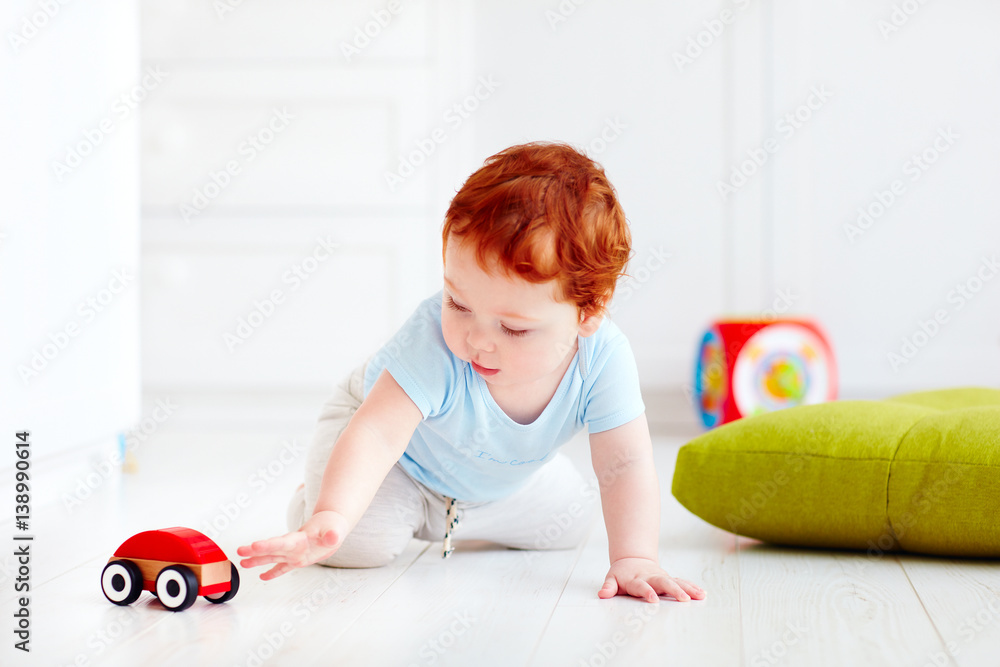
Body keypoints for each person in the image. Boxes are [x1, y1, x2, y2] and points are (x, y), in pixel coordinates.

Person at [237, 142, 706, 604]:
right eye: (457, 303)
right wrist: (332, 513)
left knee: (568, 522)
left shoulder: (602, 360)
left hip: (488, 483)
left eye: (514, 328)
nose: (477, 340)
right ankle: (316, 497)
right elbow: (378, 434)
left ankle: (464, 511)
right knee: (358, 544)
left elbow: (624, 465)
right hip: (393, 456)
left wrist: (635, 557)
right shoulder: (434, 342)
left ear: (588, 312)